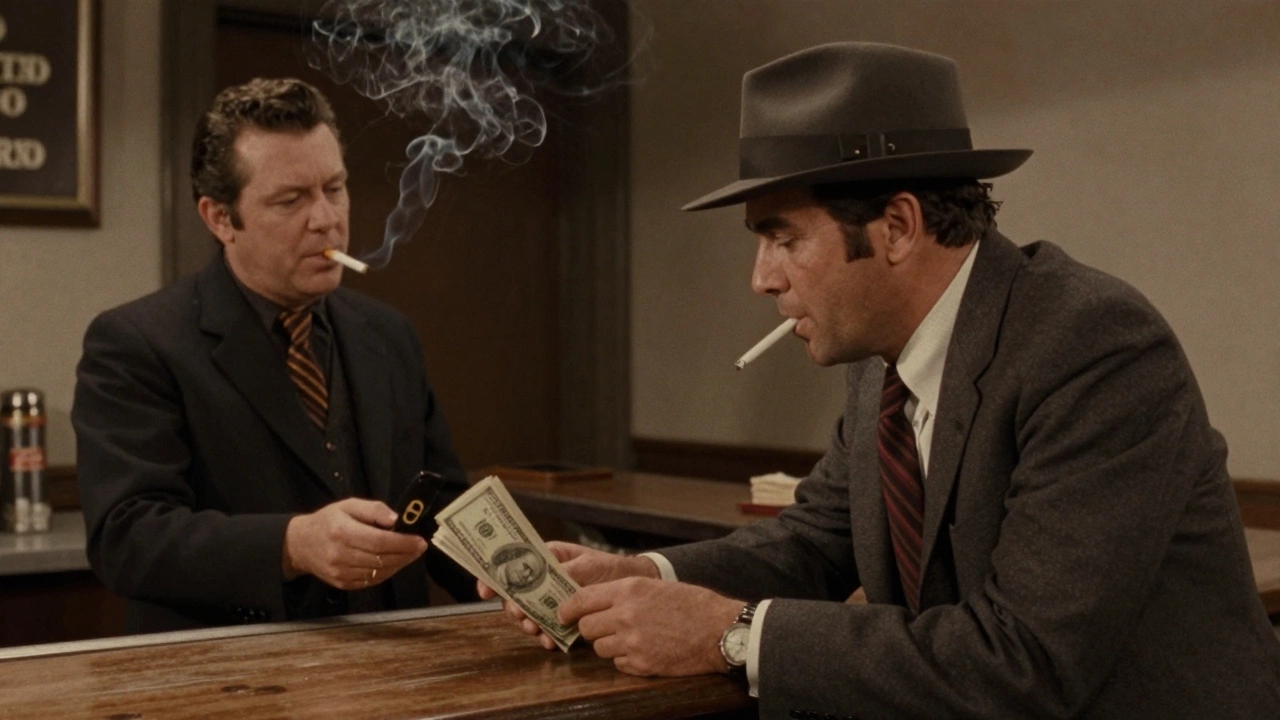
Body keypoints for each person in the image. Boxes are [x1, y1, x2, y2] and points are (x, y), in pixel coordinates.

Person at [482, 42, 1280, 718]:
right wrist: (645, 575)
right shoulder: (884, 369)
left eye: (783, 238)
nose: (761, 278)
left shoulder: (1091, 346)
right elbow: (812, 542)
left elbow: (1026, 660)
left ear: (896, 227)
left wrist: (733, 634)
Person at [73, 77, 474, 634]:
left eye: (335, 188)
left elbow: (440, 505)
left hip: (390, 670)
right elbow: (128, 537)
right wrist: (293, 544)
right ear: (219, 218)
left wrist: (516, 574)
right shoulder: (137, 343)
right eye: (291, 200)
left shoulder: (387, 334)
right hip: (234, 680)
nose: (326, 219)